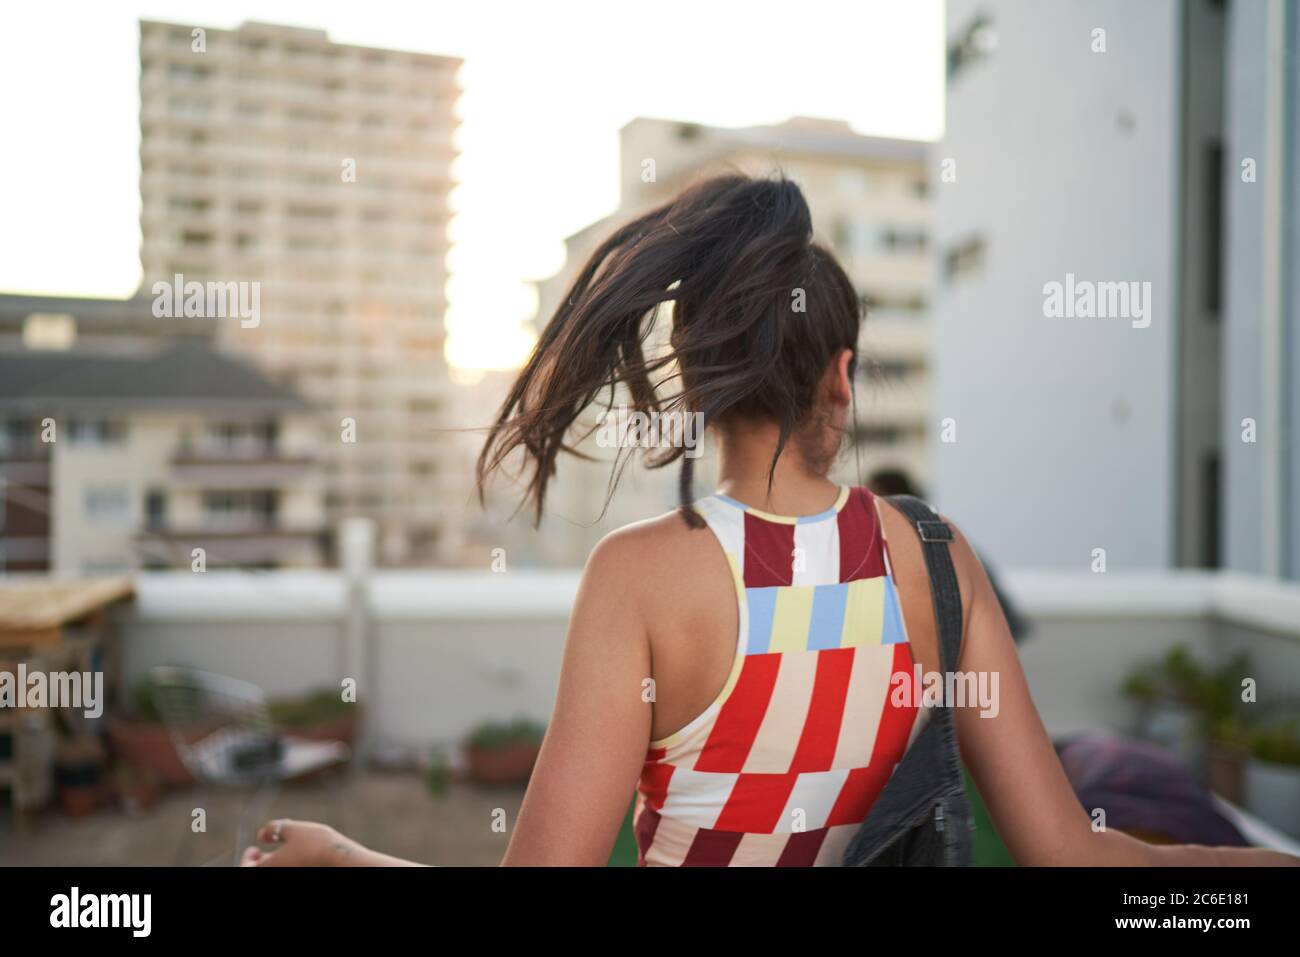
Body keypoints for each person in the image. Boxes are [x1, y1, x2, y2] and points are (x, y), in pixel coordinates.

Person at [242, 175, 1295, 867]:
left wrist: (346, 860)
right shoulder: (935, 559)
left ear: (700, 378)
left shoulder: (641, 579)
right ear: (841, 378)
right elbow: (1071, 856)